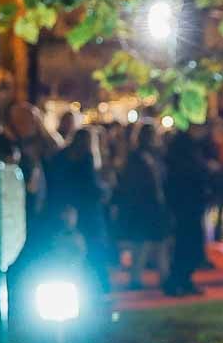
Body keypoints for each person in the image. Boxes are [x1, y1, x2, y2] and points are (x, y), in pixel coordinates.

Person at [45, 127, 112, 299]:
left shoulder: (62, 157)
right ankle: (96, 287)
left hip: (68, 209)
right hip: (86, 211)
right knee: (93, 248)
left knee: (70, 251)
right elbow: (89, 186)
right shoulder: (85, 159)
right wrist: (104, 191)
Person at [115, 122, 169, 289]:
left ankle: (163, 275)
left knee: (158, 242)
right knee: (142, 242)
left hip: (153, 204)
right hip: (143, 204)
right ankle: (137, 277)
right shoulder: (137, 157)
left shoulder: (156, 155)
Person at [162, 128, 212, 296]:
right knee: (186, 246)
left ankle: (182, 280)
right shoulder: (185, 162)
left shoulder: (178, 160)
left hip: (187, 207)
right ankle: (178, 281)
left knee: (185, 246)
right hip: (188, 208)